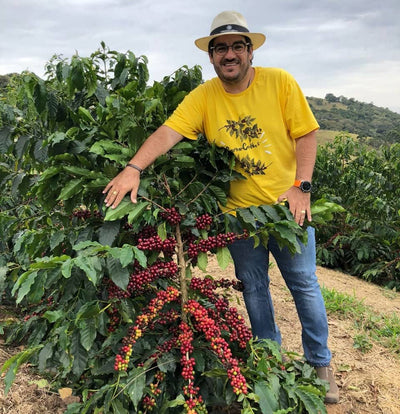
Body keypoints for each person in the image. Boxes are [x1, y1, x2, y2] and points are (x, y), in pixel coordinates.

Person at [103, 10, 339, 404]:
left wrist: (302, 187)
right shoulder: (203, 97)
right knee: (255, 290)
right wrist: (133, 168)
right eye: (220, 48)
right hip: (238, 216)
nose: (229, 54)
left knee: (303, 285)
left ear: (250, 52)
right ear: (211, 57)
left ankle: (320, 362)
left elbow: (307, 133)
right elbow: (168, 132)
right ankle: (270, 359)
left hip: (285, 210)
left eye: (237, 46)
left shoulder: (279, 82)